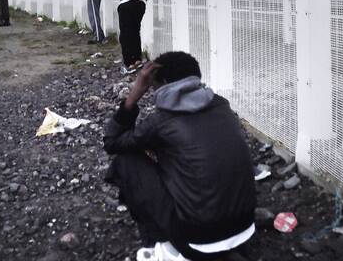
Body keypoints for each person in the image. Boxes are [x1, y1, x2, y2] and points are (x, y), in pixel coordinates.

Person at [103, 51, 256, 260]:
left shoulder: (162, 121)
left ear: (163, 84)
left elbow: (112, 143)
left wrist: (135, 94)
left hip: (198, 240)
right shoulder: (221, 104)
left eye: (154, 87)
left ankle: (163, 247)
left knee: (126, 162)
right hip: (245, 228)